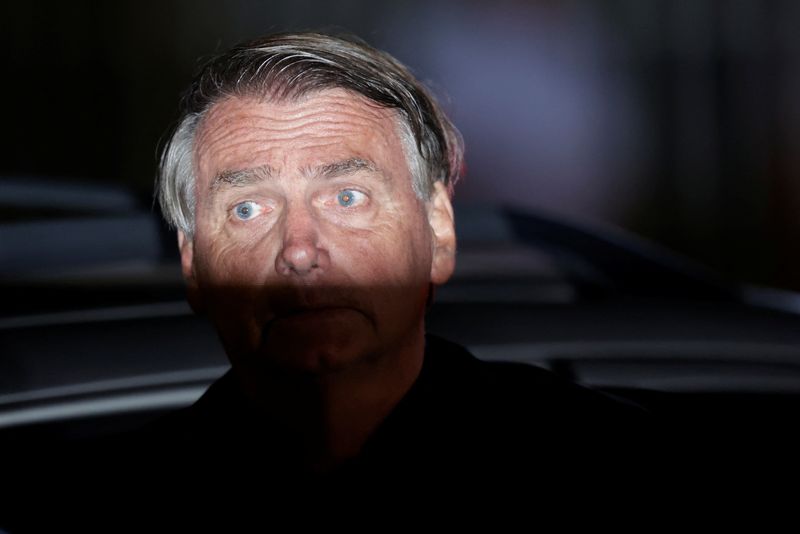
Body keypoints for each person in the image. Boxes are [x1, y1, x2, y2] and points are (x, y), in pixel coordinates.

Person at [147, 31, 648, 487]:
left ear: (439, 231)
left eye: (347, 198)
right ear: (192, 262)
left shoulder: (609, 460)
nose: (299, 251)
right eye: (247, 208)